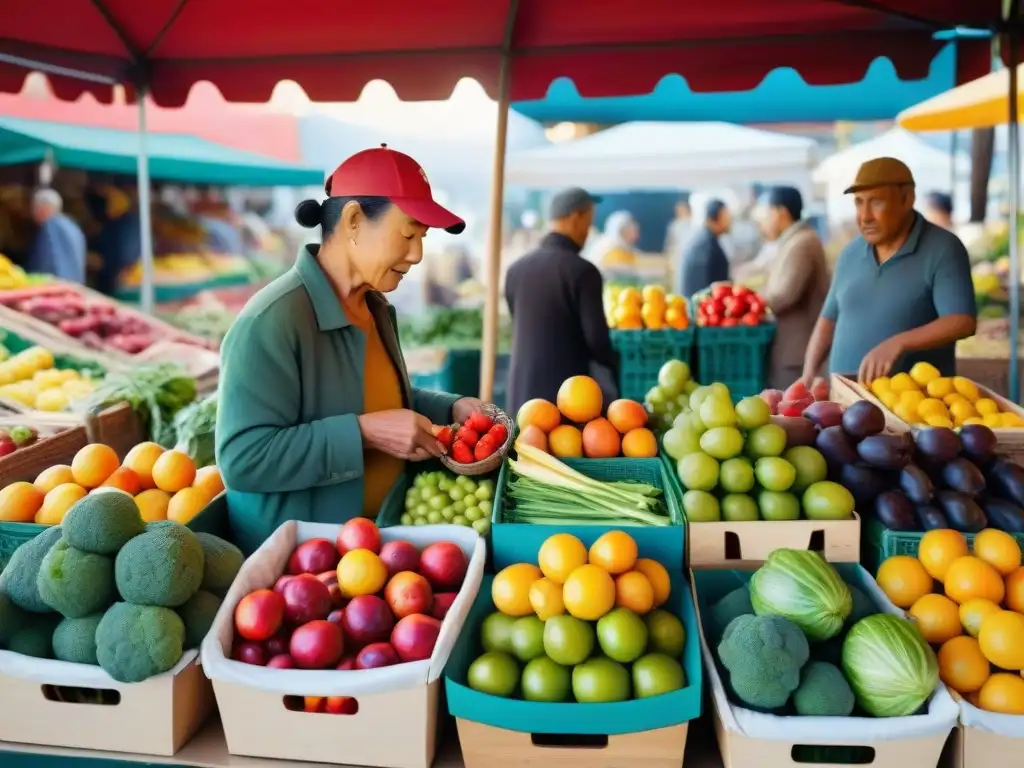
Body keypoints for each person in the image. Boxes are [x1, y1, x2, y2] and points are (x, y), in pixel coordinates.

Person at [215, 145, 486, 554]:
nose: (417, 254)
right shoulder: (271, 321)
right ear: (354, 220)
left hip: (377, 549)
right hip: (302, 568)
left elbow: (372, 399)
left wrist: (450, 408)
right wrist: (364, 434)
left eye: (423, 238)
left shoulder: (374, 307)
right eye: (409, 233)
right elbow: (243, 459)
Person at [801, 158, 976, 385]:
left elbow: (962, 321)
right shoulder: (850, 253)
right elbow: (828, 319)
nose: (865, 216)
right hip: (845, 401)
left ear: (907, 199)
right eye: (859, 203)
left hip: (913, 407)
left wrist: (898, 343)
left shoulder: (943, 248)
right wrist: (808, 372)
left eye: (876, 203)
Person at [505, 187, 618, 414]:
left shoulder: (516, 270)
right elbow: (597, 341)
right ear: (576, 218)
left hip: (521, 396)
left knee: (523, 448)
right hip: (566, 400)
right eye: (589, 221)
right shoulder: (583, 272)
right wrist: (618, 363)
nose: (589, 231)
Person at [758, 187, 830, 389]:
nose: (763, 223)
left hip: (797, 351)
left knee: (793, 409)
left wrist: (750, 301)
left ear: (781, 214)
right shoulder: (793, 241)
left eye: (766, 215)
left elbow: (783, 296)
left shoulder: (803, 243)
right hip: (792, 348)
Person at [26, 189, 86, 283]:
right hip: (75, 285)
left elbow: (46, 262)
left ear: (42, 208)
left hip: (58, 288)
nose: (33, 213)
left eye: (35, 208)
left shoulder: (50, 226)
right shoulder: (71, 224)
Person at [678, 198, 731, 298]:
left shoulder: (704, 239)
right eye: (726, 216)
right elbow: (702, 288)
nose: (730, 221)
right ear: (715, 217)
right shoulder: (706, 245)